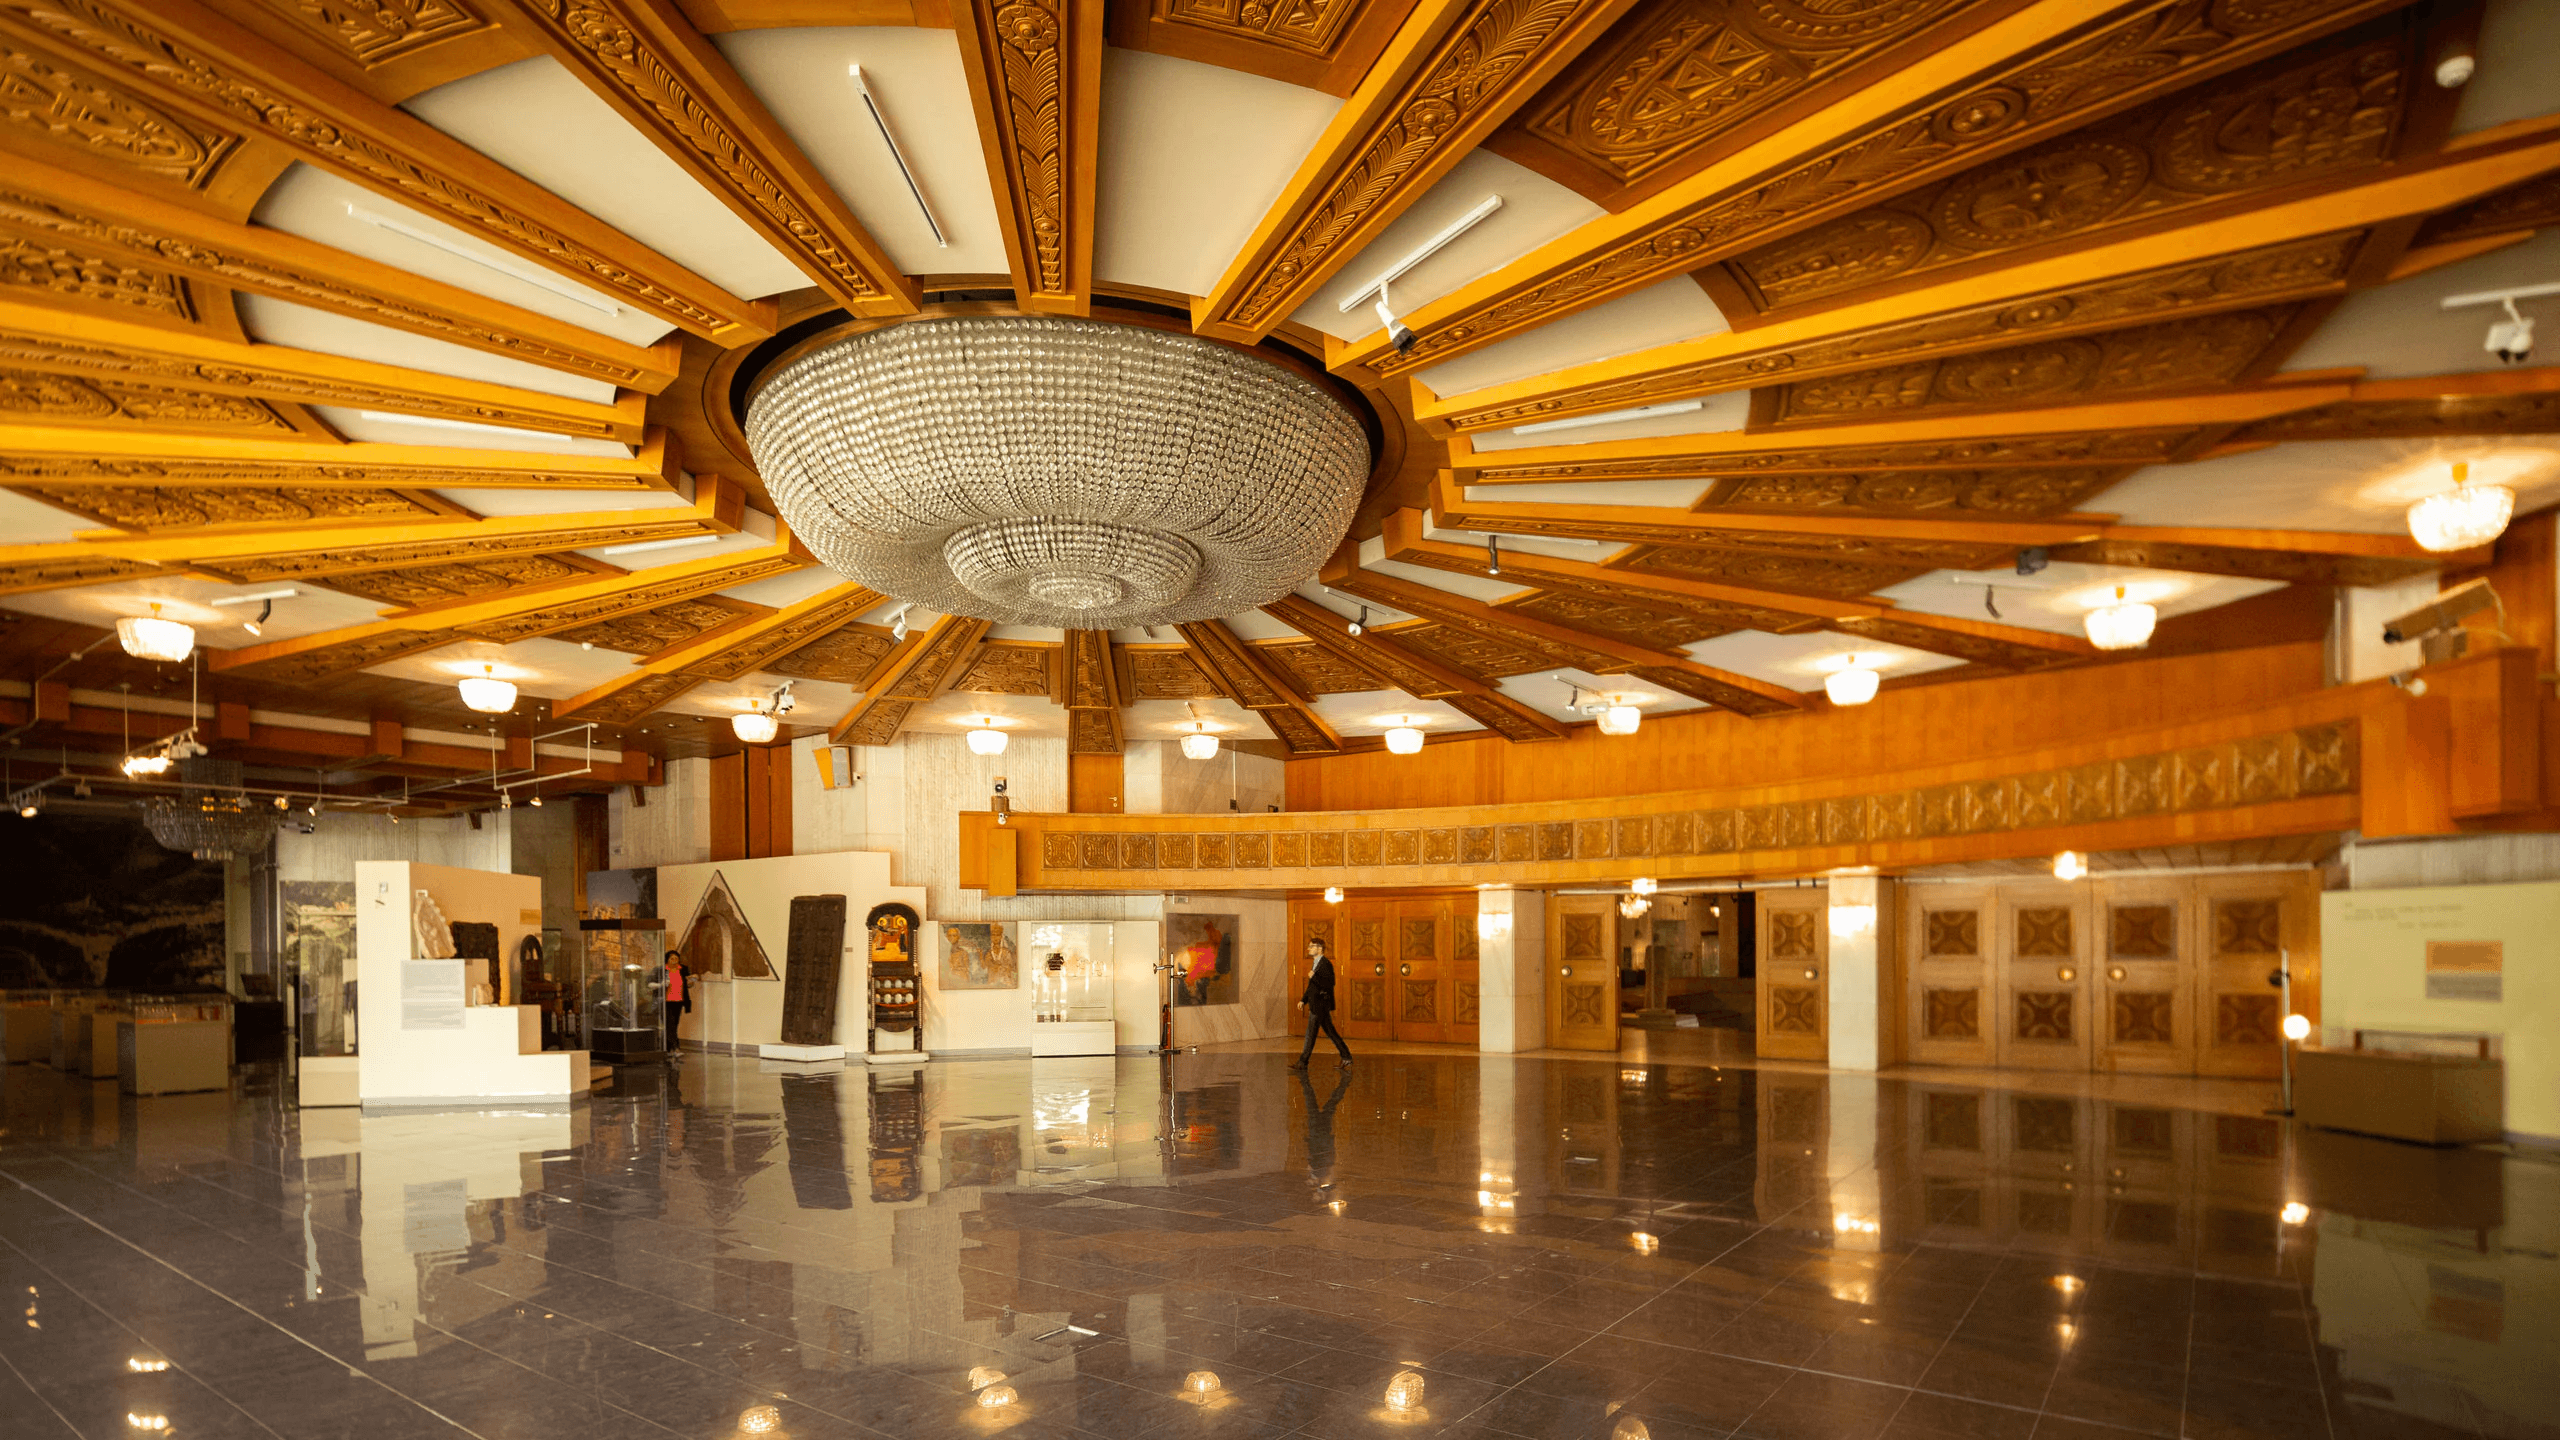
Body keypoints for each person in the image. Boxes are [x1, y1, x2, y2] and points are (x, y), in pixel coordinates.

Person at [1290, 936, 1350, 1070]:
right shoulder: (1317, 962)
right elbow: (1312, 986)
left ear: (1319, 948)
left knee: (1310, 1035)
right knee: (1330, 1032)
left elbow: (1329, 984)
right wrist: (1303, 1000)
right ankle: (1346, 1057)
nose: (1308, 949)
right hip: (1317, 1004)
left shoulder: (1325, 964)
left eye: (1311, 946)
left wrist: (1314, 976)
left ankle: (1302, 1062)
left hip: (1320, 1005)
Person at [662, 950, 689, 1062]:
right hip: (666, 1001)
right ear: (667, 960)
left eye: (676, 958)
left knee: (674, 1025)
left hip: (678, 1001)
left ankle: (668, 1049)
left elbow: (687, 984)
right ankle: (676, 1048)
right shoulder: (663, 970)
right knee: (670, 1025)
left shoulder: (682, 969)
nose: (674, 961)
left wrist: (691, 982)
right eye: (672, 958)